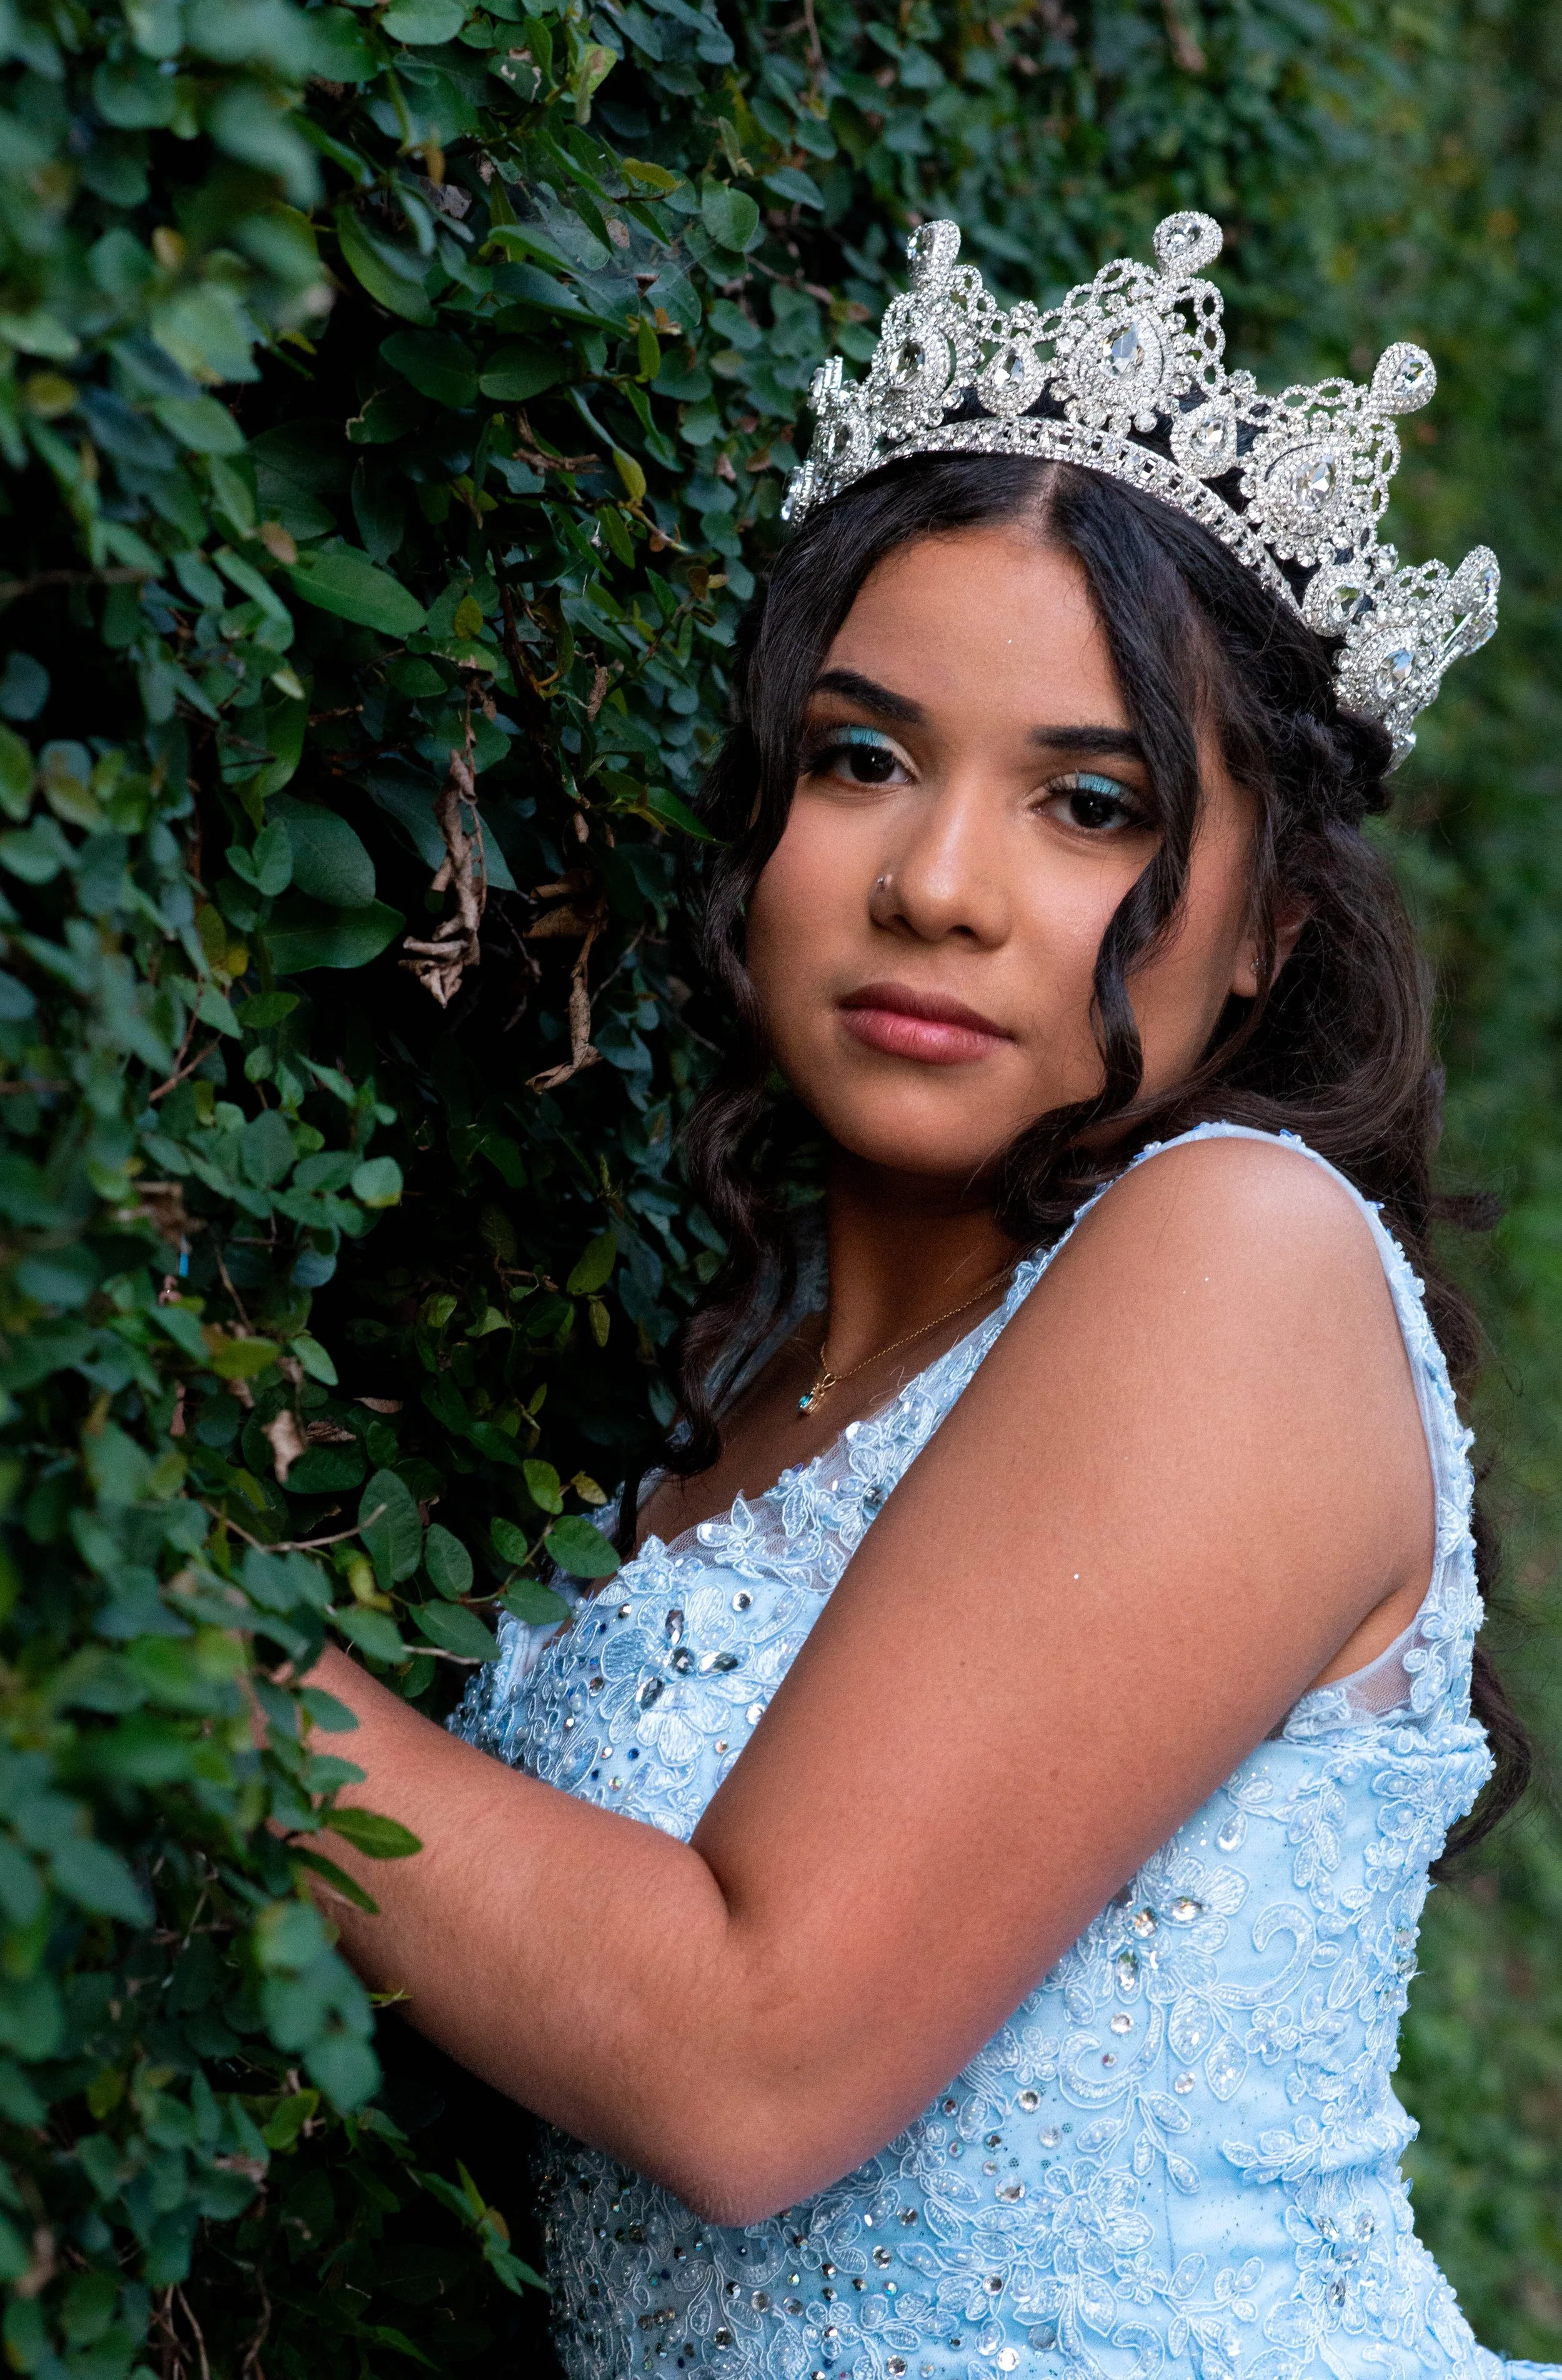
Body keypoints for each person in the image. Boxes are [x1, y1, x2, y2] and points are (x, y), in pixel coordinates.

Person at [299, 214, 1556, 2379]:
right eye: (863, 757)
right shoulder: (743, 1365)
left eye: (1092, 806)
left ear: (1259, 929)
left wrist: (149, 1639)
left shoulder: (1233, 1249)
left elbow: (744, 2060)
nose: (937, 887)